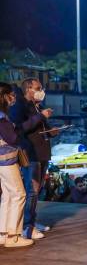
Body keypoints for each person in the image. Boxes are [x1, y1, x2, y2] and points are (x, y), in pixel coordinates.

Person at [10, 78, 58, 239]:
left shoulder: (37, 106)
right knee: (31, 190)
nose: (41, 90)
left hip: (42, 152)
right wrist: (41, 116)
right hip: (30, 153)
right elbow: (19, 128)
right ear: (28, 89)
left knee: (37, 190)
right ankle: (26, 226)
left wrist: (51, 130)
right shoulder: (20, 105)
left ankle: (31, 221)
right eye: (38, 88)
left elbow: (39, 127)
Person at [0, 82, 33, 248]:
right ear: (4, 96)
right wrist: (18, 129)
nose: (13, 97)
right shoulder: (2, 117)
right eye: (11, 94)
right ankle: (13, 236)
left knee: (7, 196)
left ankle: (3, 233)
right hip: (7, 161)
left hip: (2, 162)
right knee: (19, 194)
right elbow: (12, 138)